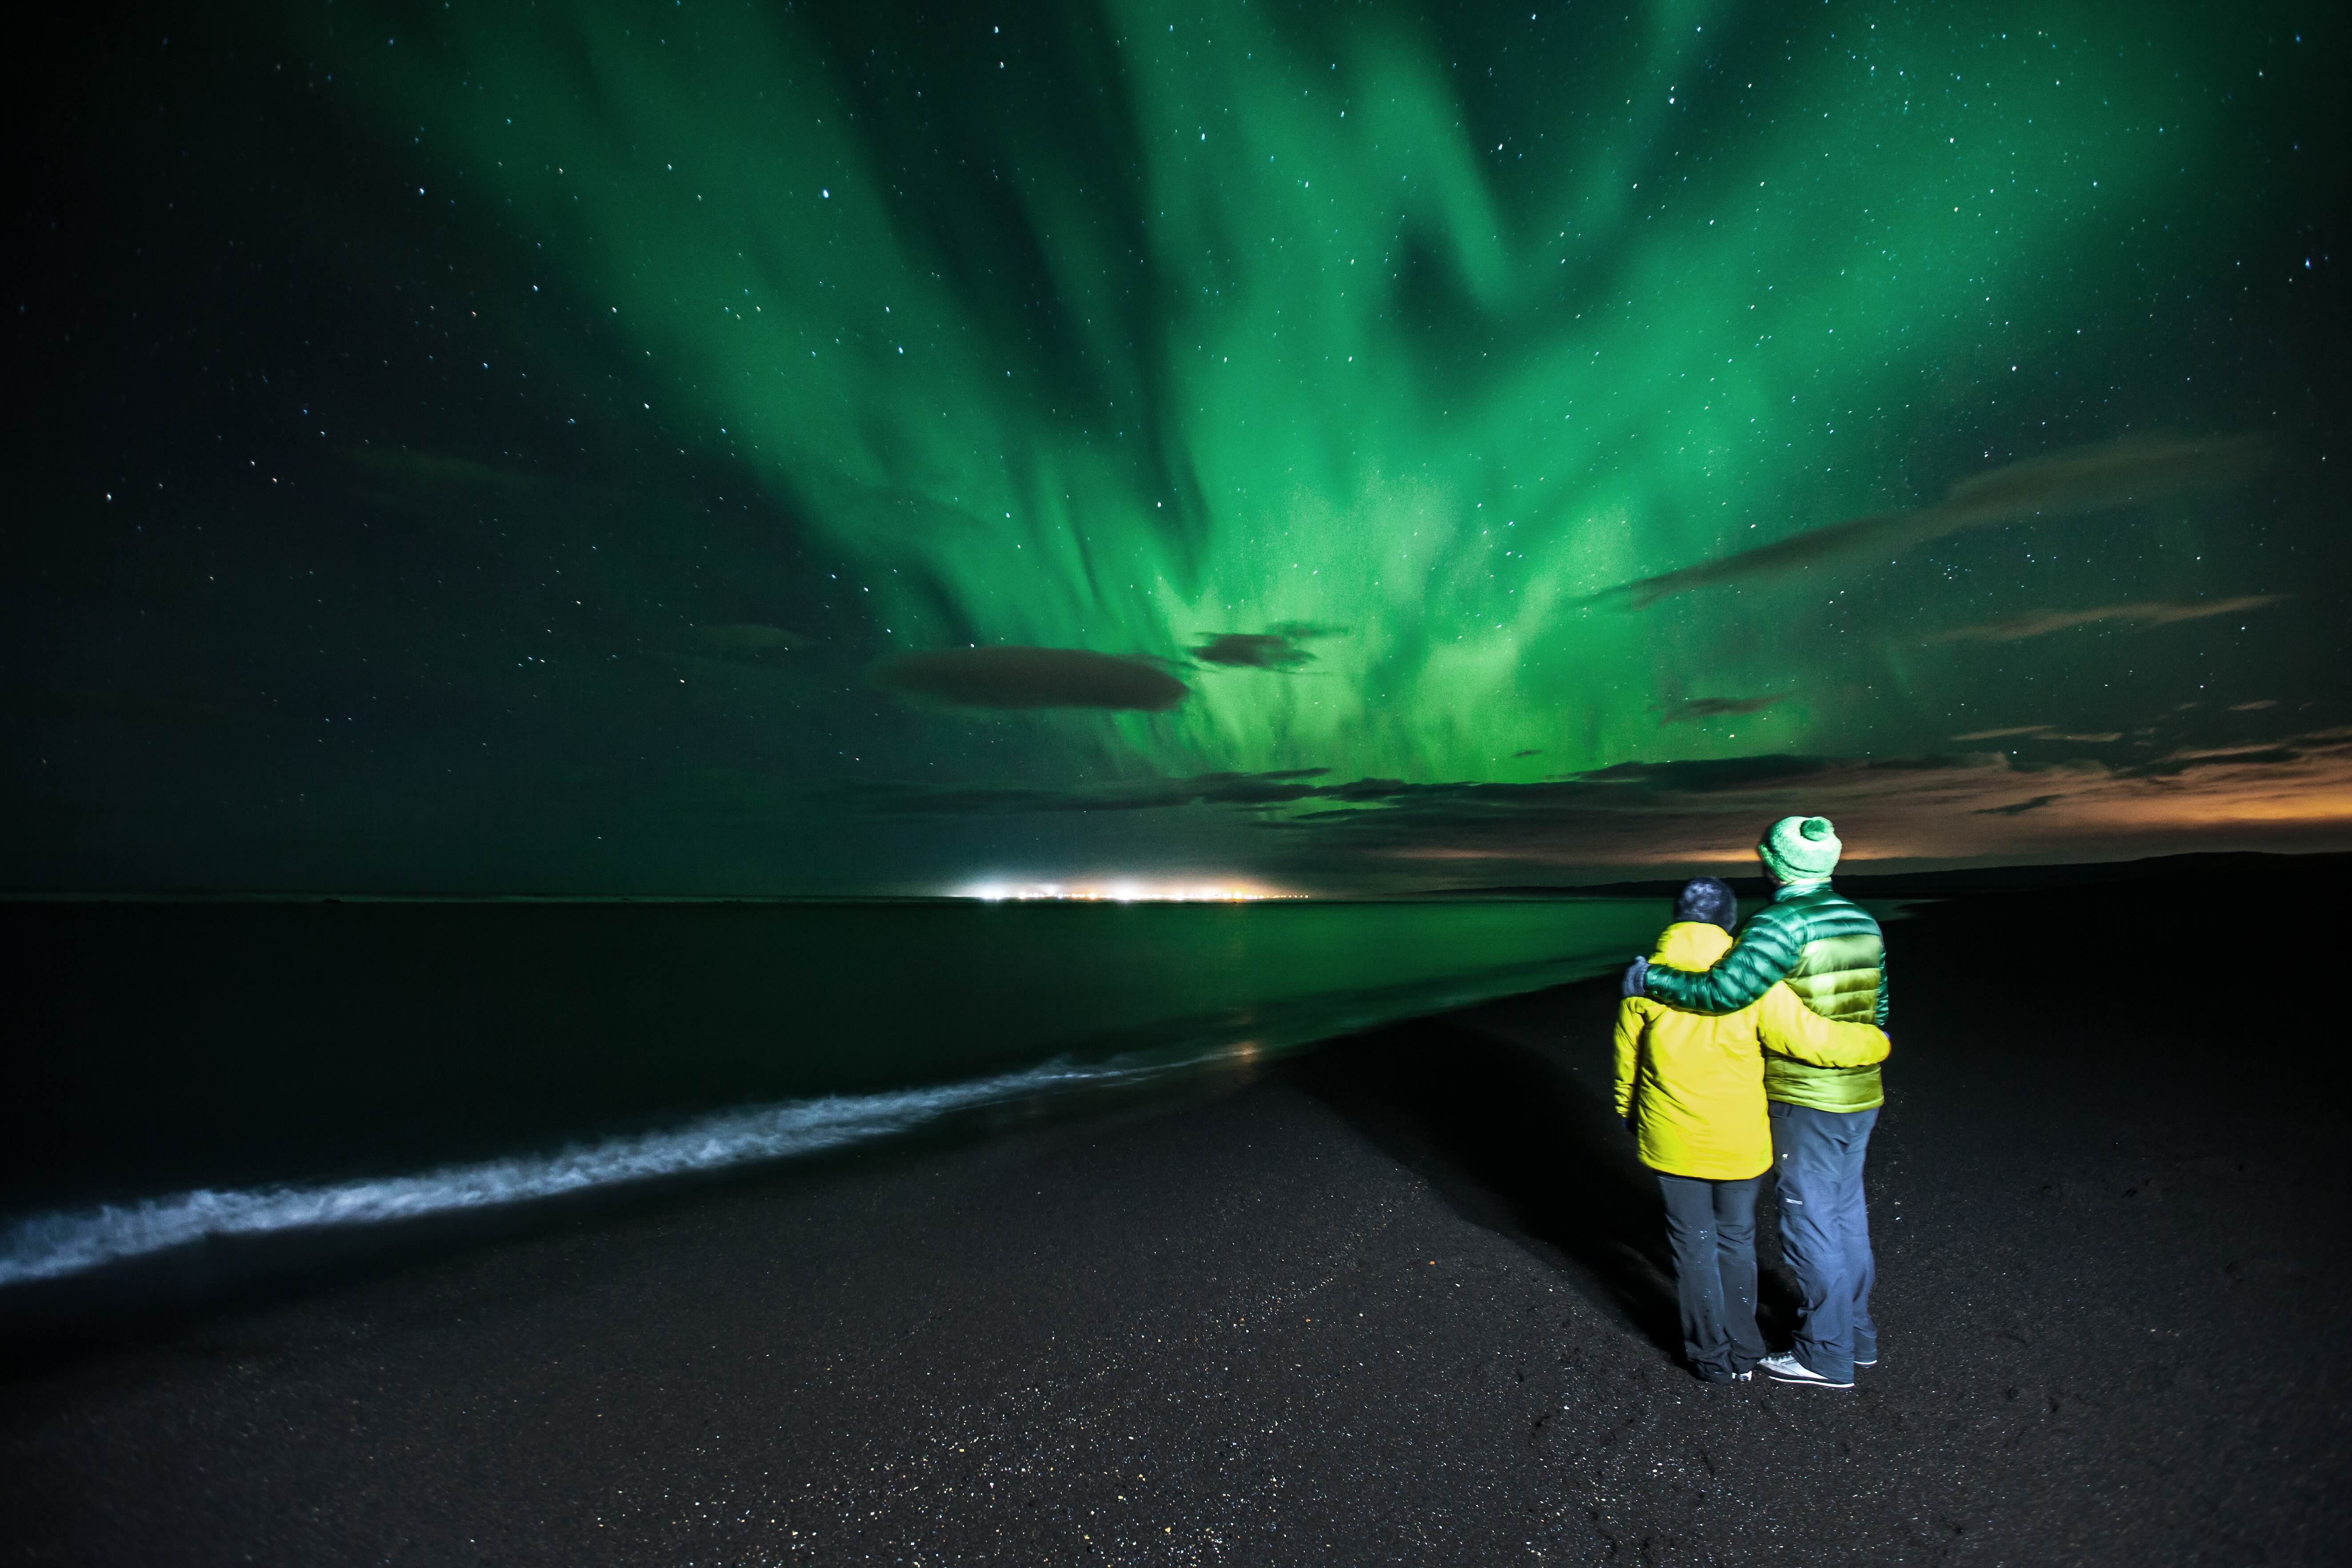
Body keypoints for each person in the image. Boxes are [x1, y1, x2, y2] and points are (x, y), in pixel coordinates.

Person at [1622, 814, 1891, 1389]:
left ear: (1774, 865)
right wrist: (1869, 1047)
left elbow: (1722, 993)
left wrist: (1654, 982)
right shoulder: (1864, 921)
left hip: (1807, 1099)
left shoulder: (1778, 924)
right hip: (1861, 1093)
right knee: (1847, 1215)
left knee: (1811, 1223)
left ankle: (1827, 1355)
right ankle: (1857, 1335)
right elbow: (1879, 1010)